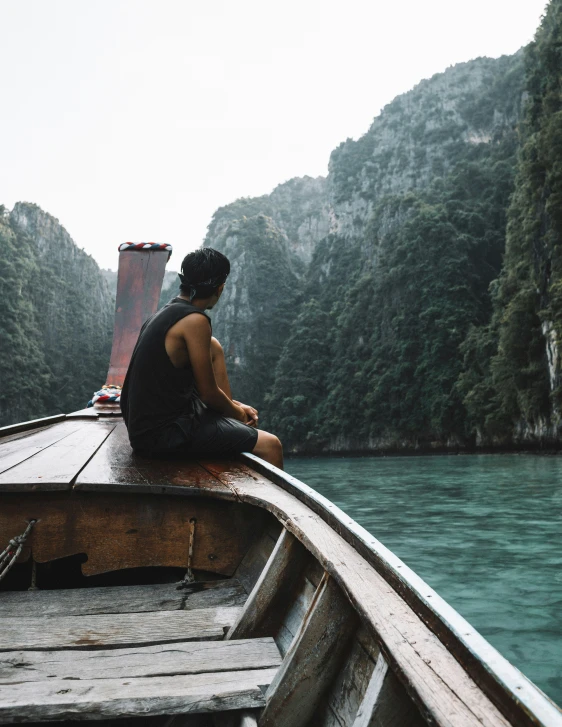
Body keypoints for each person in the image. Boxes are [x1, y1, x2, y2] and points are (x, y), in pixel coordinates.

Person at [120, 247, 283, 469]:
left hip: (145, 429)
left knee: (213, 346)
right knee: (271, 445)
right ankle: (257, 497)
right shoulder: (195, 321)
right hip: (163, 436)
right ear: (220, 288)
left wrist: (235, 406)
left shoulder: (165, 313)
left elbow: (198, 390)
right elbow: (207, 394)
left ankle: (232, 423)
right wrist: (242, 416)